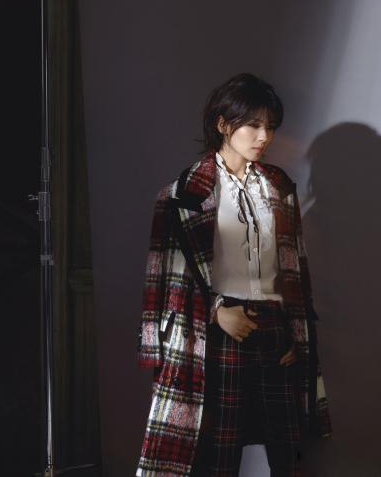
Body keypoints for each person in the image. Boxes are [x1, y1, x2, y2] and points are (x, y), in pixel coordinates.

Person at [136, 73, 332, 477]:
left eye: (270, 126)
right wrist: (216, 312)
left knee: (288, 454)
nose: (265, 136)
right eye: (254, 125)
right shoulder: (182, 193)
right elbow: (163, 280)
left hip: (275, 330)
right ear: (223, 124)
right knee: (217, 457)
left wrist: (295, 333)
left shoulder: (279, 187)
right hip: (218, 333)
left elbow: (295, 271)